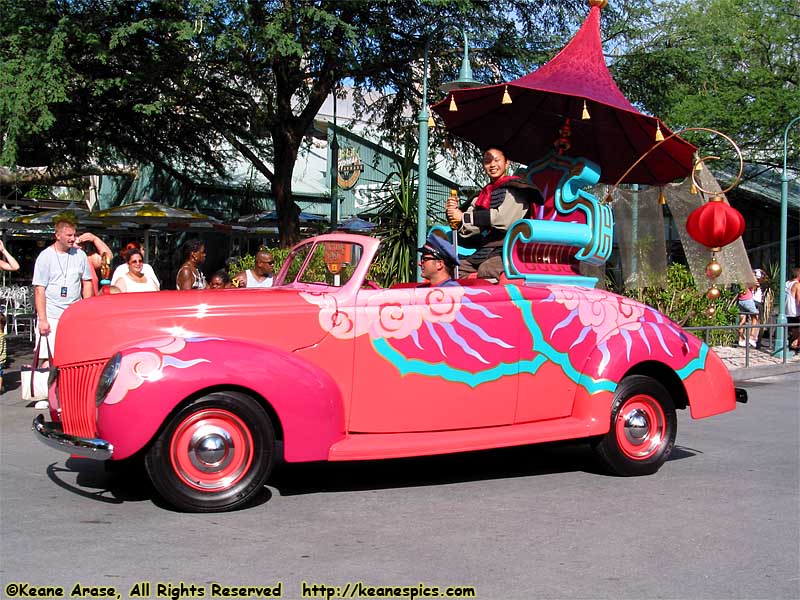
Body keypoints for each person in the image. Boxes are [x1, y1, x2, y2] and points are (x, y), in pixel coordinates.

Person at [446, 146, 542, 279]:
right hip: (485, 250)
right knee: (455, 268)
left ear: (506, 163)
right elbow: (470, 228)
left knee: (487, 269)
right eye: (487, 161)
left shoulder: (516, 189)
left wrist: (464, 217)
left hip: (509, 250)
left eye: (497, 160)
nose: (492, 165)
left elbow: (503, 220)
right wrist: (455, 216)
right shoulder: (483, 195)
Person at [32, 219, 93, 370]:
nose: (73, 238)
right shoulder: (45, 257)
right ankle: (48, 391)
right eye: (69, 235)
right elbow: (39, 289)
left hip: (74, 316)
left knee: (75, 357)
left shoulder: (80, 255)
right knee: (49, 359)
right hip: (52, 315)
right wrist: (43, 319)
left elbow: (87, 283)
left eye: (74, 235)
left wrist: (87, 311)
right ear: (57, 235)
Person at [737, 282, 759, 348]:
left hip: (740, 300)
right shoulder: (748, 278)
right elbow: (754, 285)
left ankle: (740, 339)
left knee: (742, 319)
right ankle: (752, 337)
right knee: (755, 318)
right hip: (748, 299)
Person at [786, 267, 800, 353]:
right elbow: (799, 300)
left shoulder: (787, 283)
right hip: (795, 312)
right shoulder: (797, 285)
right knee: (796, 331)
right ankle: (794, 346)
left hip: (787, 312)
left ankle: (793, 345)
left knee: (793, 331)